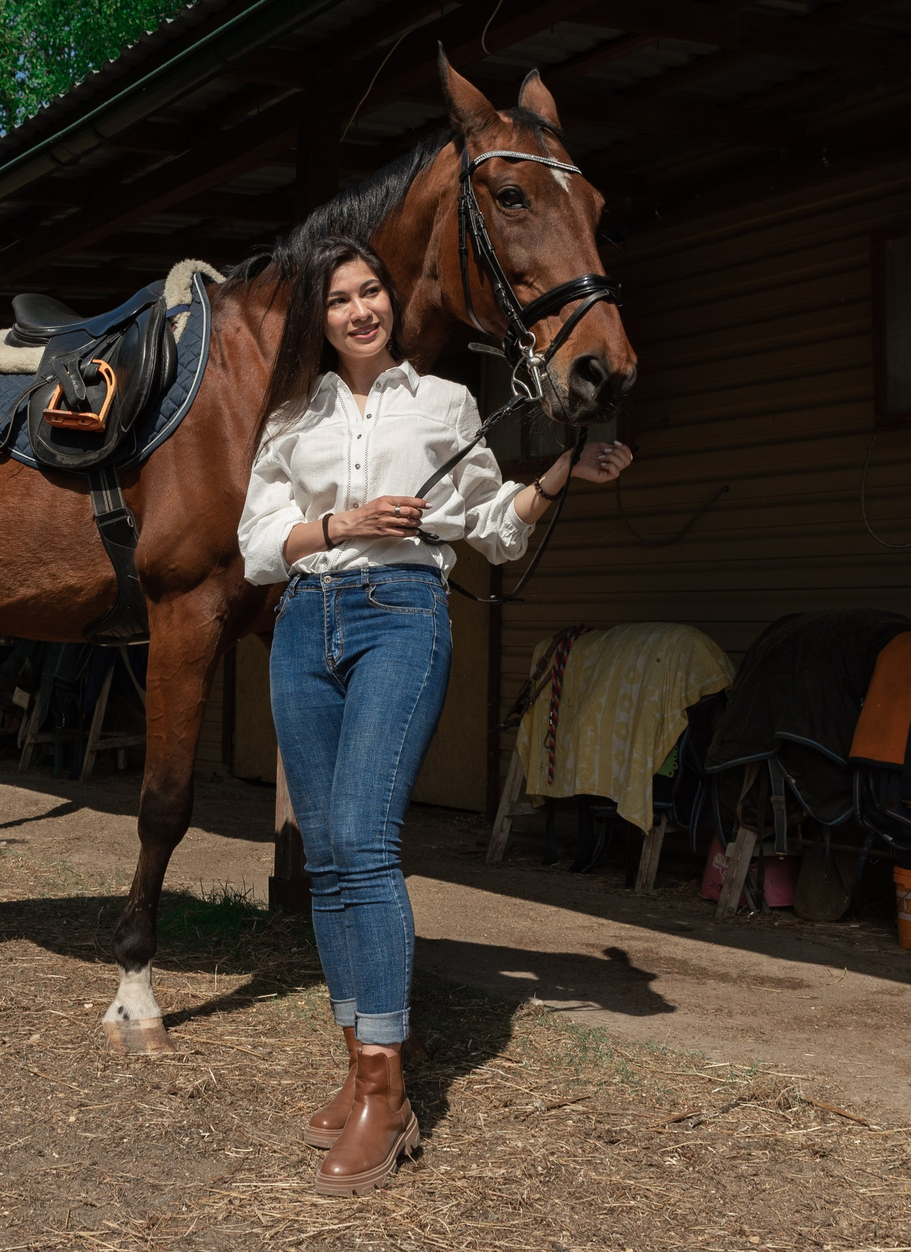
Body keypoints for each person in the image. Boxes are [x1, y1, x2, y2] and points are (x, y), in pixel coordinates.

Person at [236, 235, 632, 1196]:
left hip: (401, 618)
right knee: (324, 851)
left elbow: (491, 528)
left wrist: (558, 476)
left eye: (371, 290)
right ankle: (355, 1062)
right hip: (303, 624)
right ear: (319, 319)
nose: (359, 309)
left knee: (367, 843)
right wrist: (343, 525)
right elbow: (257, 545)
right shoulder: (292, 415)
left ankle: (389, 1088)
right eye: (338, 299)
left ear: (391, 303)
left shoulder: (446, 404)